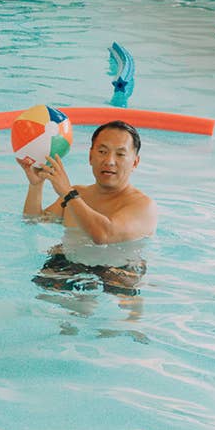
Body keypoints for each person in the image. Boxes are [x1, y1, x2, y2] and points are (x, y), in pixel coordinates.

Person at [20, 121, 156, 305]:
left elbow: (103, 235)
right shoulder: (77, 194)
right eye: (102, 151)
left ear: (135, 162)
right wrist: (36, 186)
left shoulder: (143, 206)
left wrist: (68, 193)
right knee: (38, 306)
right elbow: (32, 222)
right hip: (69, 264)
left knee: (115, 326)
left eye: (120, 154)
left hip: (119, 270)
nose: (109, 161)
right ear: (90, 156)